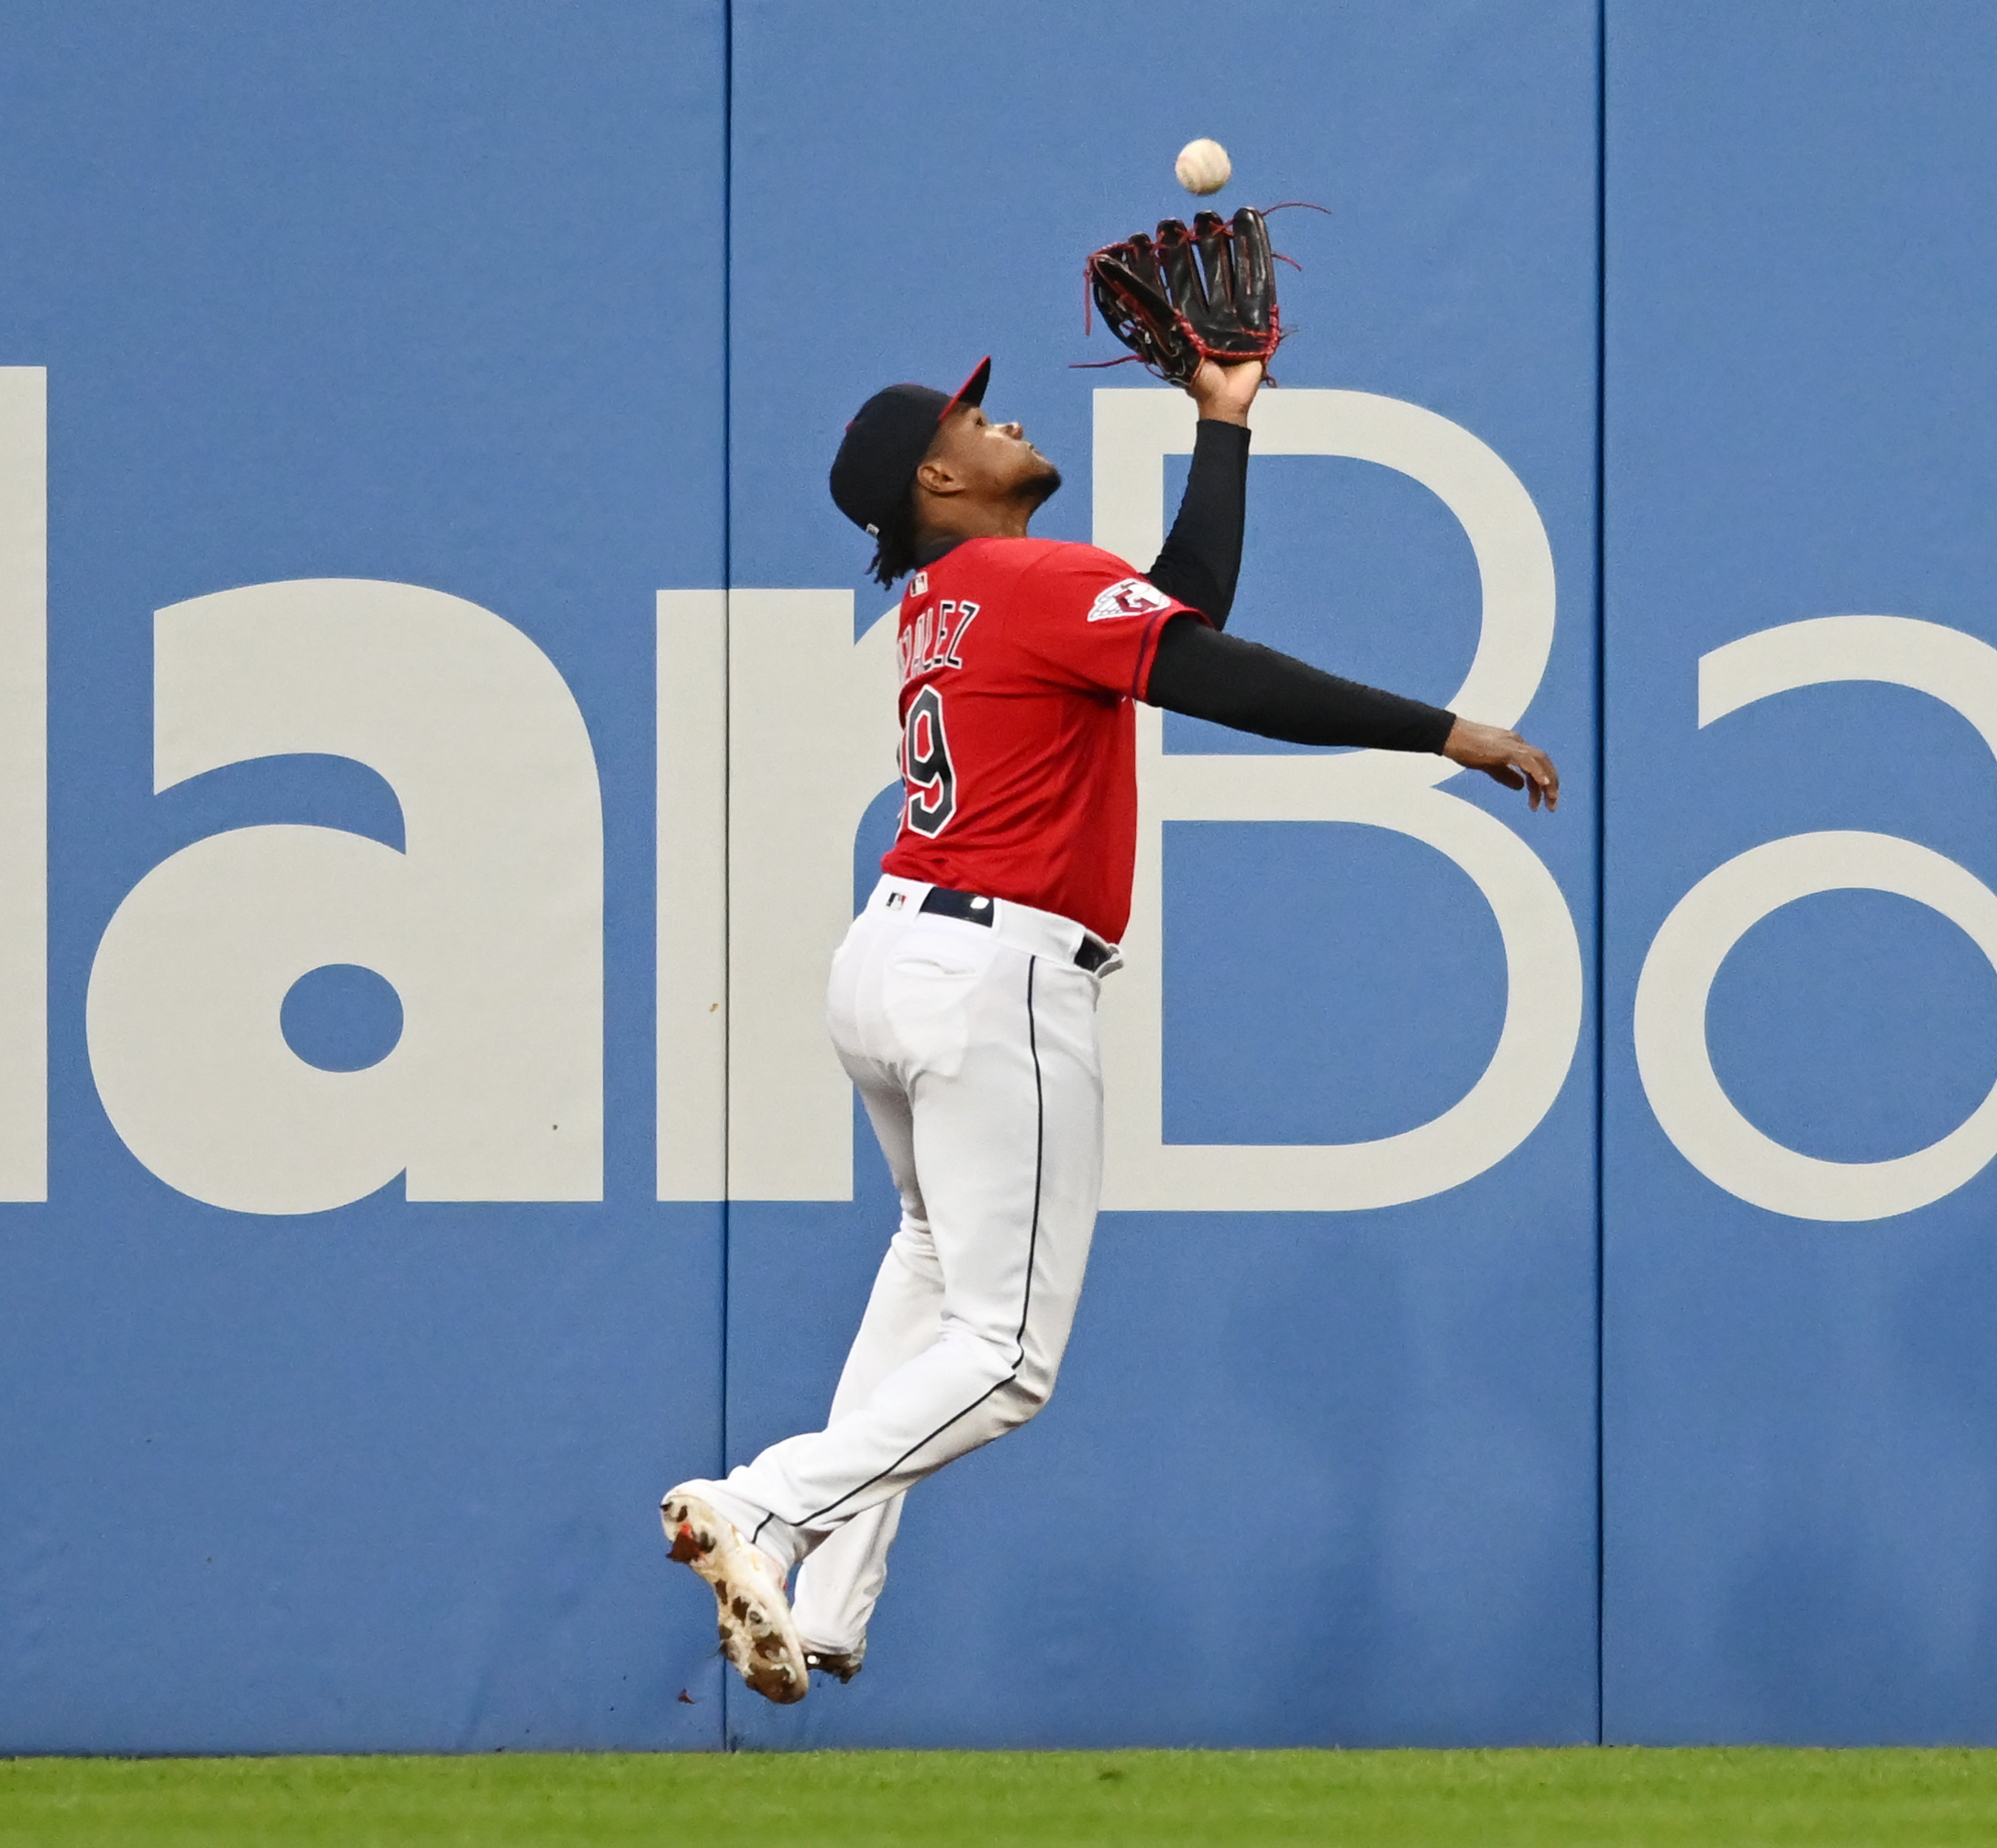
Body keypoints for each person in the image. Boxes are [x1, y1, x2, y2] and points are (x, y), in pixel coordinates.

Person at [662, 354, 1558, 1704]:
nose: (1002, 417)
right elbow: (1219, 670)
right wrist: (1444, 732)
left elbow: (1175, 614)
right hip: (994, 973)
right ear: (936, 479)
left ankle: (829, 1594)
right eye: (969, 418)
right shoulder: (1029, 577)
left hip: (895, 949)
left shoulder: (950, 598)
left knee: (930, 1269)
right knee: (1005, 1359)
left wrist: (1220, 422)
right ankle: (764, 1508)